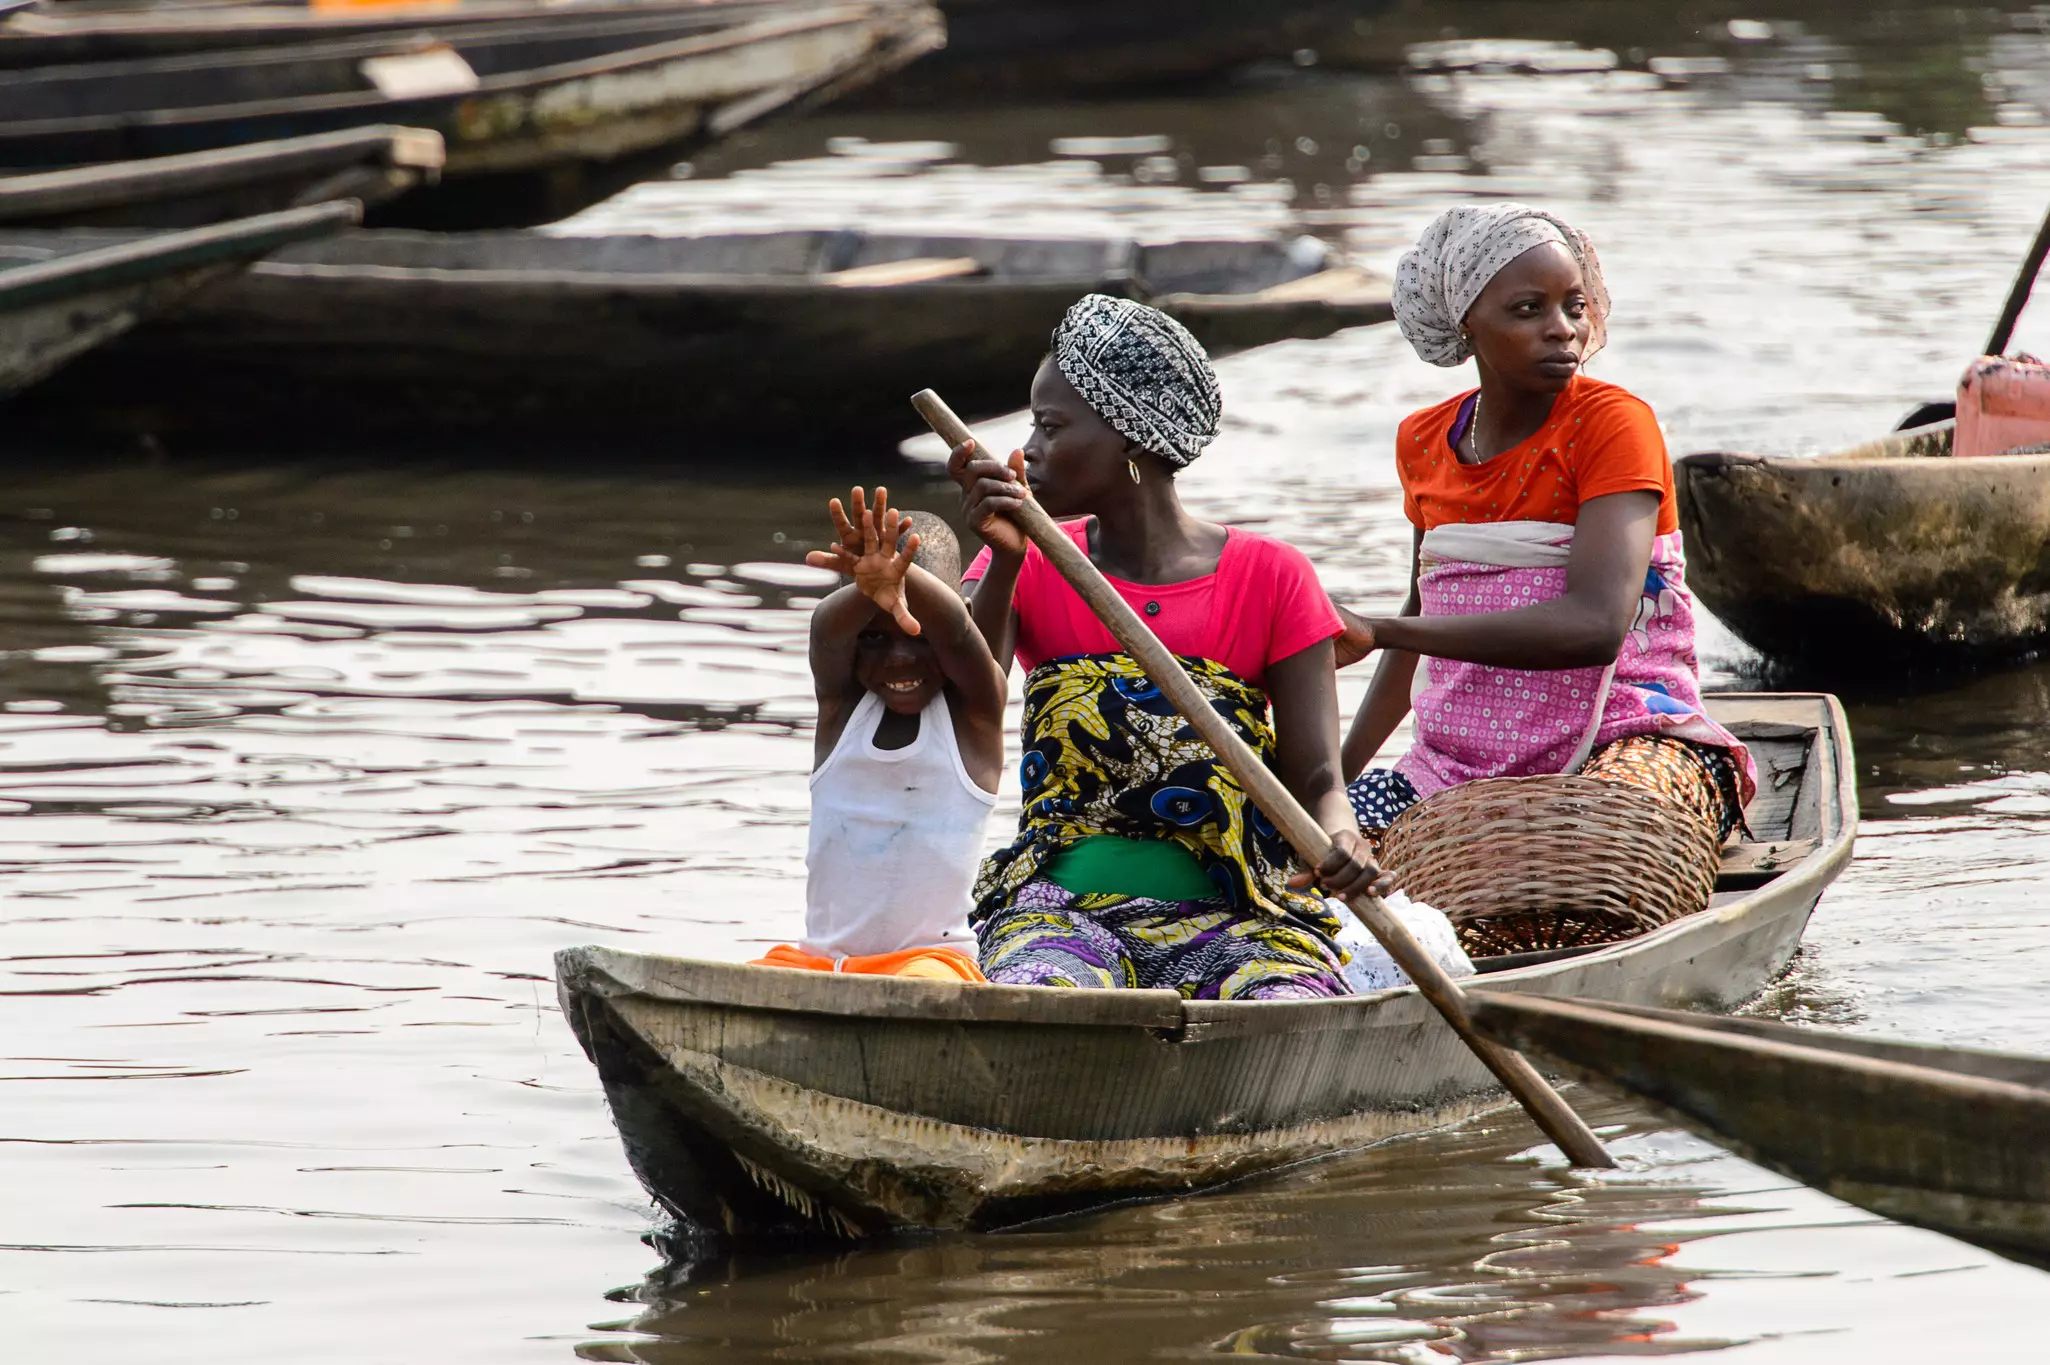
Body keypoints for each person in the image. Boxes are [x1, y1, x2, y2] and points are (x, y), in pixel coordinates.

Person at [949, 294, 1393, 1001]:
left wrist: (1342, 838)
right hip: (1061, 913)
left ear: (1129, 437)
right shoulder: (1030, 561)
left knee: (1283, 1006)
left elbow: (1316, 781)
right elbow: (964, 703)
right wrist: (1000, 562)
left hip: (1241, 915)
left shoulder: (1272, 575)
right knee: (1042, 997)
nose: (1028, 449)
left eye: (1051, 425)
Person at [1337, 202, 1755, 851]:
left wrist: (1379, 629)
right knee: (1305, 860)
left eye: (1574, 306)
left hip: (1625, 735)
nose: (1563, 330)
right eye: (1528, 309)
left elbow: (1595, 626)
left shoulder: (1614, 424)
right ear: (1467, 322)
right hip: (1454, 762)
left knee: (1612, 841)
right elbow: (1424, 615)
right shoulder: (1423, 441)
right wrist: (1332, 781)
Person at [751, 489, 1007, 982]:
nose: (898, 658)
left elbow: (955, 630)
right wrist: (868, 587)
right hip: (821, 962)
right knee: (745, 980)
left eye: (918, 635)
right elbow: (825, 631)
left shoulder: (974, 717)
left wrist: (901, 577)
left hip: (932, 963)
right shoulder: (842, 712)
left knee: (921, 989)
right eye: (873, 637)